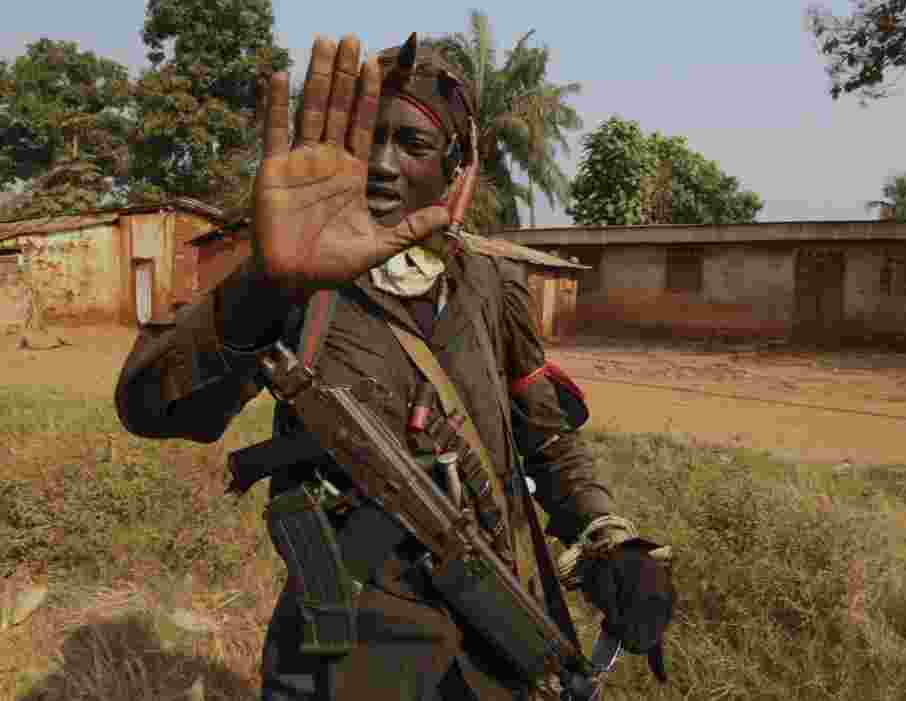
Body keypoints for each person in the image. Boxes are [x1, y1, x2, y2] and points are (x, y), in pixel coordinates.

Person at [114, 31, 675, 701]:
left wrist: (607, 537)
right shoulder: (295, 285)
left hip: (490, 652)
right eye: (368, 140)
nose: (381, 164)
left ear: (455, 165)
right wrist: (266, 282)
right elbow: (148, 405)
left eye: (411, 143)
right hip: (338, 666)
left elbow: (547, 438)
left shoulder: (493, 288)